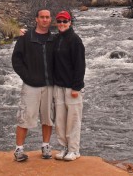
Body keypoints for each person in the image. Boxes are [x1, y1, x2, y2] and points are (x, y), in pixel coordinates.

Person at [11, 9, 55, 162]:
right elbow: (16, 61)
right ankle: (19, 149)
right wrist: (27, 76)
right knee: (25, 117)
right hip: (31, 86)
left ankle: (46, 146)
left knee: (48, 118)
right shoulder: (26, 38)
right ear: (36, 19)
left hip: (50, 85)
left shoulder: (54, 39)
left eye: (47, 17)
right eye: (42, 17)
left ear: (50, 20)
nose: (44, 20)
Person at [53, 10, 85, 161]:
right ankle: (63, 147)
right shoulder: (56, 39)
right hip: (58, 86)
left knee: (73, 119)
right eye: (59, 21)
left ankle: (74, 150)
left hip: (72, 87)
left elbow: (80, 66)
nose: (61, 24)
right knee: (60, 120)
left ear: (70, 22)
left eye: (64, 21)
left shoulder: (75, 40)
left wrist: (76, 87)